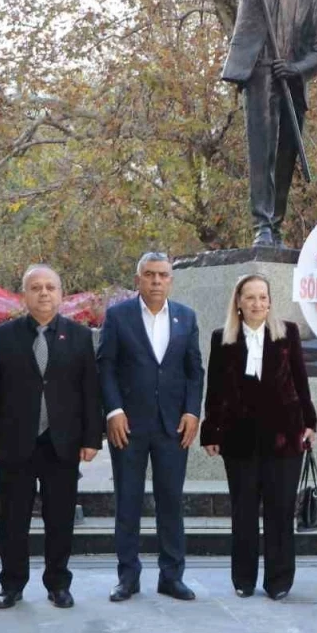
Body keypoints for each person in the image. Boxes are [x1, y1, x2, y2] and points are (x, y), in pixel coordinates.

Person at [205, 0, 317, 247]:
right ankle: (262, 224)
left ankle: (276, 223)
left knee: (286, 154)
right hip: (260, 74)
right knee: (263, 151)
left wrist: (298, 68)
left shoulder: (311, 0)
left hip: (291, 80)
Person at [0, 264, 101, 609]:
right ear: (24, 295)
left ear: (61, 295)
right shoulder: (3, 336)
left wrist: (92, 438)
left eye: (50, 287)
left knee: (60, 519)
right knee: (13, 519)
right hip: (16, 442)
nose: (43, 293)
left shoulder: (78, 336)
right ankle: (12, 585)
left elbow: (90, 391)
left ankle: (58, 584)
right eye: (36, 287)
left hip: (61, 443)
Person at [200, 274, 317, 599]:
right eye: (250, 297)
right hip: (239, 440)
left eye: (263, 297)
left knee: (280, 512)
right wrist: (211, 430)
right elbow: (216, 389)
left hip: (284, 437)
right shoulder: (221, 338)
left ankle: (279, 581)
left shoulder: (287, 333)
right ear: (238, 302)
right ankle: (244, 579)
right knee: (244, 512)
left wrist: (310, 422)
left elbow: (300, 380)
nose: (257, 304)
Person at [99, 252, 205, 602]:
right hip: (127, 425)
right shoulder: (118, 316)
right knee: (127, 501)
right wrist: (113, 410)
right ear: (138, 279)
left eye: (162, 275)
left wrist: (193, 412)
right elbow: (107, 367)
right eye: (150, 275)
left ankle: (171, 576)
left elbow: (194, 371)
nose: (156, 281)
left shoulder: (186, 318)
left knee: (171, 501)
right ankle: (128, 577)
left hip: (173, 426)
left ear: (171, 280)